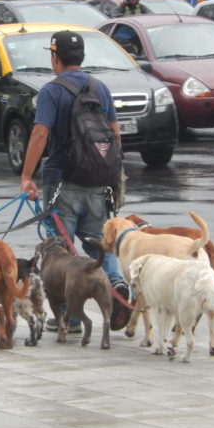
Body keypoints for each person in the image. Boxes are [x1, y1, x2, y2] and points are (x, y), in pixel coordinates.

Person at [20, 30, 131, 333]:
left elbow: (40, 134)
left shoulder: (51, 92)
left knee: (61, 251)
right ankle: (116, 286)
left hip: (61, 182)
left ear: (55, 57)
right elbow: (115, 135)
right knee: (98, 245)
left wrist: (27, 176)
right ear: (81, 57)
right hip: (98, 181)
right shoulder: (100, 88)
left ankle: (68, 317)